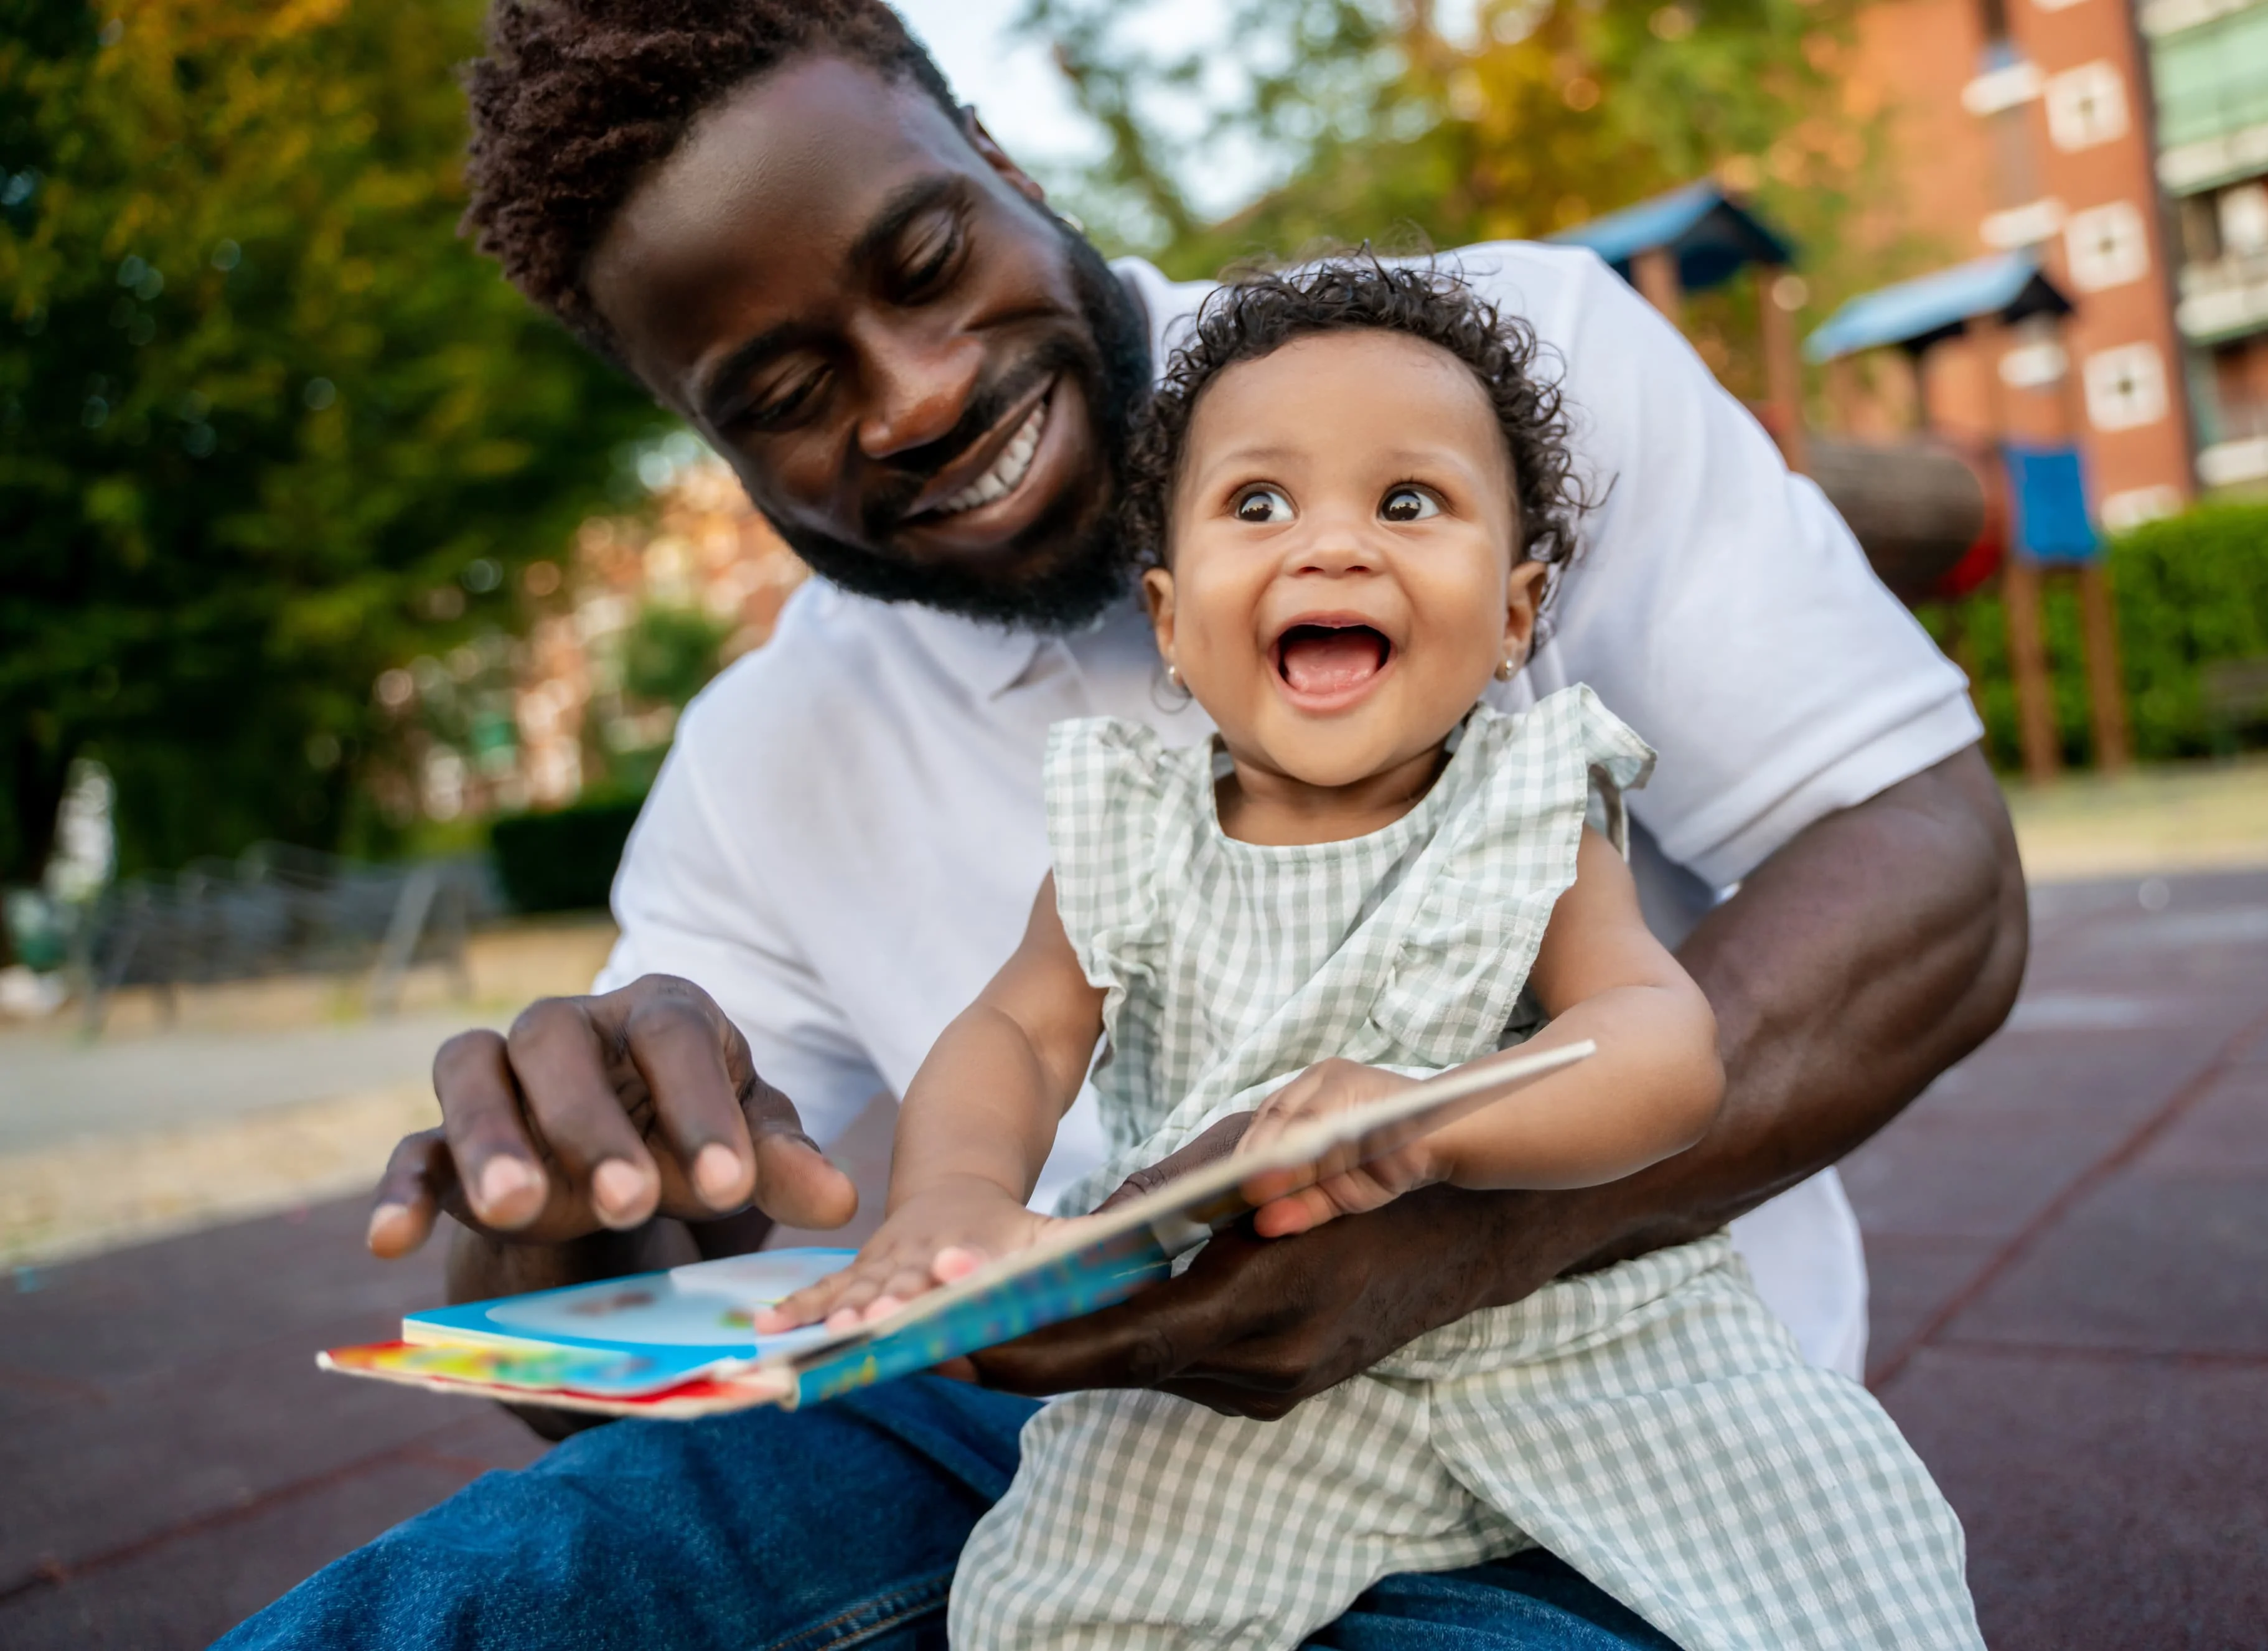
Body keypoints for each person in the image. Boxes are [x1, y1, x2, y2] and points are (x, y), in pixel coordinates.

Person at [220, 1, 2029, 1645]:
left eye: (927, 259)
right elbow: (965, 1071)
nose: (915, 392)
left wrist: (1452, 1198)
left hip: (1586, 1453)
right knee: (481, 1596)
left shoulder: (1498, 397)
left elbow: (1915, 877)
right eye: (779, 396)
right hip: (1084, 1449)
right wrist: (569, 1206)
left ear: (1002, 163)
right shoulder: (809, 758)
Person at [762, 258, 1983, 1651]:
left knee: (1849, 1572)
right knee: (1045, 1613)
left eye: (1408, 503)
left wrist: (1436, 1127)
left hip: (1589, 1341)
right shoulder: (1125, 828)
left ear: (1515, 612)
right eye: (1258, 504)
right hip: (1237, 1380)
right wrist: (955, 1198)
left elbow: (1662, 1046)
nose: (1329, 546)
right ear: (1169, 621)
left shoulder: (1527, 803)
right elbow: (1018, 1036)